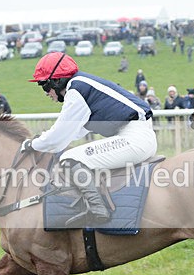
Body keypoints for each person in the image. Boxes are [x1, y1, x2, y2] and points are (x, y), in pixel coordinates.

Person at [22, 53, 156, 225]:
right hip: (137, 135)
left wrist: (32, 144)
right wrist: (45, 140)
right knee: (73, 154)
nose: (47, 93)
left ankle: (97, 209)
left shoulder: (76, 90)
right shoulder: (82, 85)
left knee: (69, 158)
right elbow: (74, 131)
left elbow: (58, 137)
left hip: (135, 138)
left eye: (44, 86)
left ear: (56, 81)